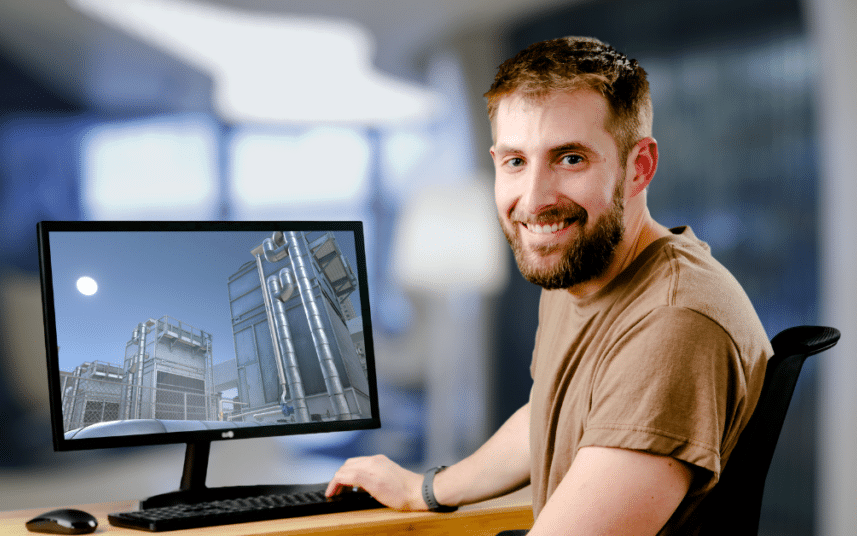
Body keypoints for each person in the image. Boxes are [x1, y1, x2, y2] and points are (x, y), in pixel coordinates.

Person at [325, 36, 773, 535]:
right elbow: (550, 412)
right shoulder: (579, 274)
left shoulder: (672, 323)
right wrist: (424, 489)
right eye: (516, 162)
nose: (535, 200)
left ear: (638, 167)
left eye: (571, 158)